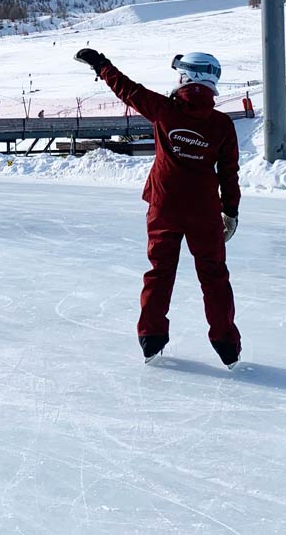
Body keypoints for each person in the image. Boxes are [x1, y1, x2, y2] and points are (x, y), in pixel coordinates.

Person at [74, 48, 242, 366]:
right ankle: (227, 346)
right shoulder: (222, 125)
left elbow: (127, 89)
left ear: (187, 78)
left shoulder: (164, 109)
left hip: (164, 208)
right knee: (215, 276)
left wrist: (101, 65)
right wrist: (230, 211)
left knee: (160, 273)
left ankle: (151, 338)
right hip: (205, 213)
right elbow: (229, 173)